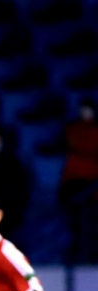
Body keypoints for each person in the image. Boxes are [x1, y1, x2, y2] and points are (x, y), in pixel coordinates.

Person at [59, 98, 98, 264]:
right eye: (83, 109)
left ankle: (91, 251)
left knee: (92, 221)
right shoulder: (72, 129)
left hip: (93, 184)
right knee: (75, 222)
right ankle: (77, 250)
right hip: (74, 182)